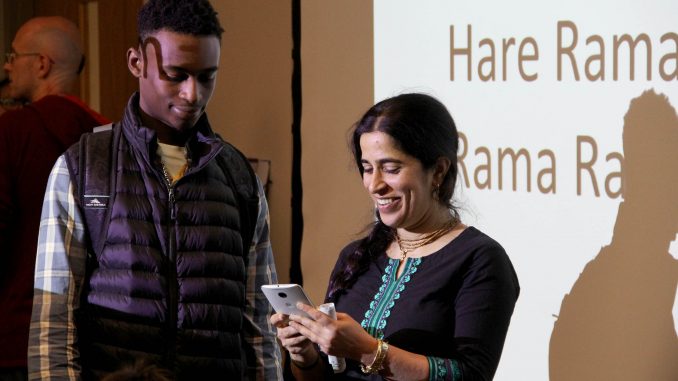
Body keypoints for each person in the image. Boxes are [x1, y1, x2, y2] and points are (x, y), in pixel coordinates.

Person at [27, 1, 282, 380]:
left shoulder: (237, 175)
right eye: (176, 75)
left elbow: (260, 328)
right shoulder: (83, 168)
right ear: (136, 63)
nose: (193, 94)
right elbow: (53, 324)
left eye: (207, 77)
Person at [272, 93, 520, 380]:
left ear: (438, 170)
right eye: (367, 168)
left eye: (391, 169)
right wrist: (304, 355)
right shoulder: (356, 256)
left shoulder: (480, 260)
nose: (375, 185)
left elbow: (471, 375)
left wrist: (367, 350)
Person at [0, 16, 109, 381]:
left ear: (42, 64)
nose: (7, 65)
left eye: (13, 55)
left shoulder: (11, 131)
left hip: (18, 336)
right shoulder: (108, 136)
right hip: (93, 338)